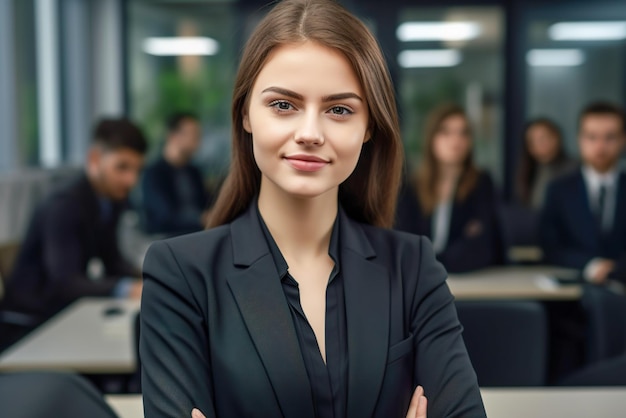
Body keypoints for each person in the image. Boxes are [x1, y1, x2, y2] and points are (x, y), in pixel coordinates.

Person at [140, 1, 486, 417]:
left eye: (339, 110)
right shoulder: (181, 275)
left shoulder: (413, 267)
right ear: (246, 113)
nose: (309, 133)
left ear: (368, 127)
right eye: (283, 105)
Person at [0, 118, 146, 348]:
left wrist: (150, 277)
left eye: (137, 170)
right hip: (31, 325)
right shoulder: (64, 205)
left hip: (63, 314)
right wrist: (126, 288)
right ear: (95, 159)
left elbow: (112, 260)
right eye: (122, 167)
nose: (131, 180)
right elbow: (65, 283)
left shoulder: (109, 199)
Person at [395, 104, 501, 273]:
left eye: (463, 133)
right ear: (431, 138)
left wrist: (434, 262)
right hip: (419, 280)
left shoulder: (482, 183)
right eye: (445, 132)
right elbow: (405, 241)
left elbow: (480, 245)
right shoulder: (411, 185)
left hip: (470, 279)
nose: (456, 140)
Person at [541, 102, 626, 284]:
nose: (600, 146)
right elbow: (549, 247)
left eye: (610, 137)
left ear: (623, 139)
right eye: (592, 137)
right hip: (573, 293)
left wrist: (618, 269)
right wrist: (591, 265)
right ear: (580, 139)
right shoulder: (558, 190)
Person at [141, 112, 211, 236]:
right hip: (168, 239)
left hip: (199, 235)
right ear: (173, 136)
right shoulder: (153, 174)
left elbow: (206, 203)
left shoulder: (194, 172)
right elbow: (163, 216)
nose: (198, 140)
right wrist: (201, 219)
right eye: (193, 134)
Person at [516, 117, 576, 209]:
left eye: (542, 138)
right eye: (533, 141)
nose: (539, 144)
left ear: (556, 137)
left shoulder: (574, 169)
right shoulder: (529, 171)